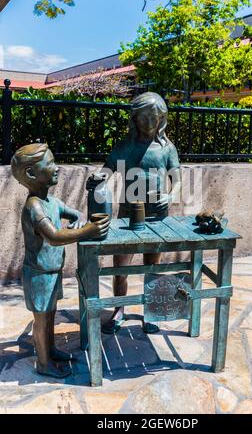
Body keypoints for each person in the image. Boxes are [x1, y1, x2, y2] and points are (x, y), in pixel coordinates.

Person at [11, 143, 110, 378]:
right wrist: (88, 230)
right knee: (42, 320)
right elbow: (54, 237)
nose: (57, 168)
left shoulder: (50, 201)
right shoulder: (34, 206)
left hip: (51, 271)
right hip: (39, 274)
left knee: (51, 314)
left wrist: (78, 219)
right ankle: (44, 363)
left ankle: (51, 349)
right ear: (31, 174)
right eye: (51, 163)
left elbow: (71, 212)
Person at [98, 92, 181, 334]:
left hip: (157, 215)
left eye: (152, 118)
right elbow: (108, 168)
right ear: (134, 119)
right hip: (127, 216)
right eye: (142, 118)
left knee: (152, 266)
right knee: (120, 266)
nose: (147, 123)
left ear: (161, 118)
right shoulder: (125, 146)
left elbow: (176, 180)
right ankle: (119, 309)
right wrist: (98, 178)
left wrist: (171, 195)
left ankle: (152, 310)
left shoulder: (167, 148)